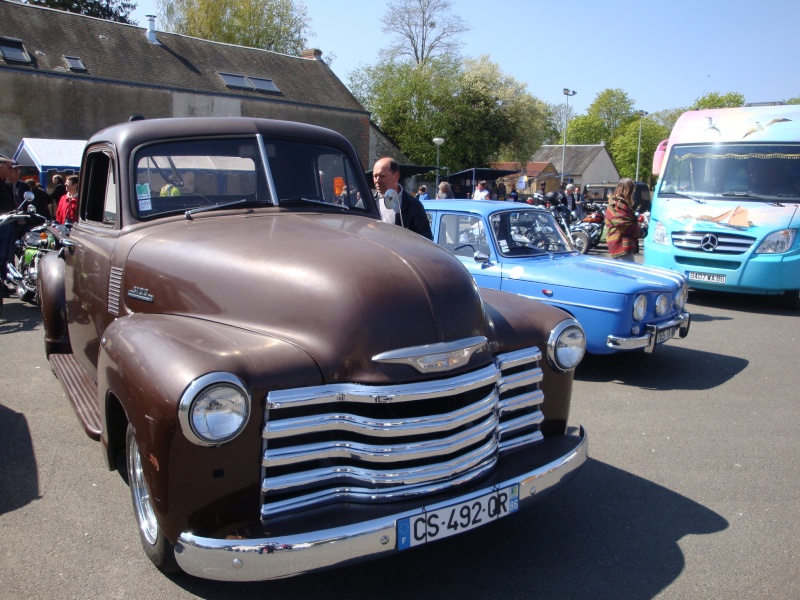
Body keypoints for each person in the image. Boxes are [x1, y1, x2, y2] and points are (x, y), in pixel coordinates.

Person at [371, 157, 432, 240]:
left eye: (382, 176)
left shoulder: (413, 205)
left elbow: (426, 240)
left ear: (396, 176)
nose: (377, 180)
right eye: (375, 176)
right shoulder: (367, 201)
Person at [604, 178, 640, 261]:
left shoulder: (620, 204)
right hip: (621, 247)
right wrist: (640, 231)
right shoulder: (616, 205)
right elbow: (624, 226)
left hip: (623, 247)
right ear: (627, 191)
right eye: (632, 191)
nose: (633, 194)